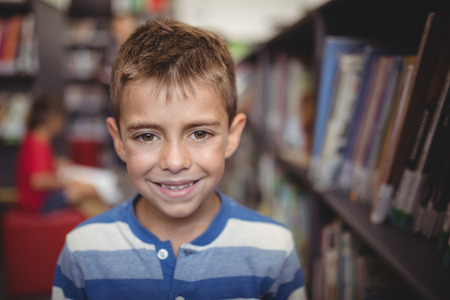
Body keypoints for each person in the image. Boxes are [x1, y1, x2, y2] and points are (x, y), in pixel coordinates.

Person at [52, 19, 305, 300]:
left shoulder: (274, 250)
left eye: (199, 133)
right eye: (147, 136)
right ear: (119, 141)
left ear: (232, 137)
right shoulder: (83, 252)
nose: (174, 162)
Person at [15, 95, 104, 214]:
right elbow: (38, 181)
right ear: (51, 119)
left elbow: (37, 167)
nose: (62, 122)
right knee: (87, 190)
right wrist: (66, 181)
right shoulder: (38, 142)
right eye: (60, 118)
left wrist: (57, 164)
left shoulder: (35, 139)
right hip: (38, 202)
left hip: (37, 199)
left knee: (84, 191)